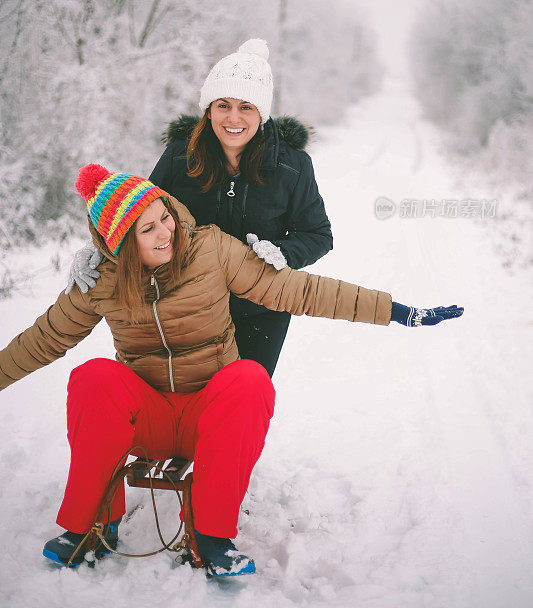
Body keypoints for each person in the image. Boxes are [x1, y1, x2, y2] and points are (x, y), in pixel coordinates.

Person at [0, 163, 463, 577]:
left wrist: (399, 311)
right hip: (148, 416)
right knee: (93, 376)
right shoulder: (99, 280)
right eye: (148, 230)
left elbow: (297, 290)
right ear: (120, 243)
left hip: (209, 416)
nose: (166, 233)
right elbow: (44, 339)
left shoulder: (211, 250)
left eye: (165, 217)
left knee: (249, 378)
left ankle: (209, 535)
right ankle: (92, 528)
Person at [67, 39, 333, 377]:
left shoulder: (292, 165)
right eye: (223, 105)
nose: (233, 118)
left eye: (246, 107)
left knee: (244, 404)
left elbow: (317, 234)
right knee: (185, 411)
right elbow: (138, 217)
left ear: (261, 114)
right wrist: (98, 249)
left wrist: (282, 252)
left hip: (261, 309)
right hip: (185, 306)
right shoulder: (181, 155)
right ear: (209, 109)